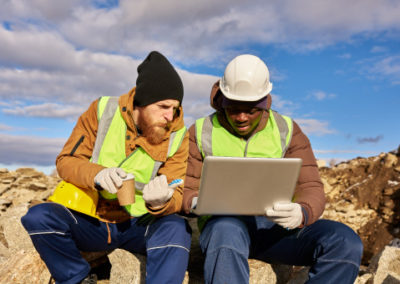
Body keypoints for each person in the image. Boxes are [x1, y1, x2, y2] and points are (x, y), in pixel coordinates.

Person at [182, 54, 363, 284]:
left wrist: (303, 211)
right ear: (223, 98)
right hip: (223, 228)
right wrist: (195, 200)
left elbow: (310, 186)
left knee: (345, 242)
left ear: (265, 101)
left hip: (276, 230)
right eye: (233, 107)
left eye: (250, 109)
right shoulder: (201, 131)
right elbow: (182, 184)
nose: (241, 117)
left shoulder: (286, 129)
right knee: (225, 231)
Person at [21, 51, 191, 284]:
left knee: (176, 227)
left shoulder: (179, 135)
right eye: (163, 107)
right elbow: (67, 160)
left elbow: (178, 189)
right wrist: (97, 174)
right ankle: (77, 278)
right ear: (141, 102)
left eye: (175, 108)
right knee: (39, 217)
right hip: (92, 218)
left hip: (138, 222)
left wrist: (162, 202)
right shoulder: (102, 111)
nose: (170, 116)